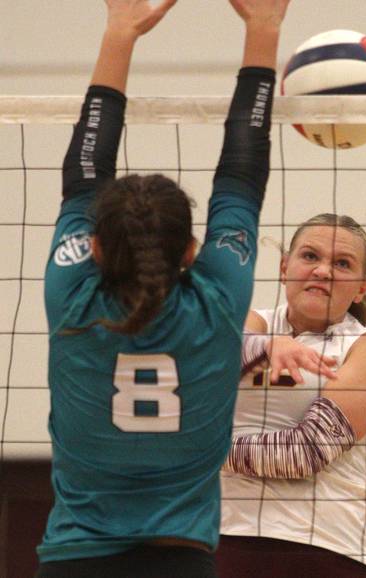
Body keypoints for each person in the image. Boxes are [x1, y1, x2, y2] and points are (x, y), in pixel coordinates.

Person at [36, 0, 291, 576]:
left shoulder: (71, 297)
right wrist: (263, 28)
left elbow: (84, 170)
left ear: (95, 248)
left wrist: (120, 32)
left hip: (73, 560)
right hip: (182, 562)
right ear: (191, 253)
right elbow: (242, 173)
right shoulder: (218, 300)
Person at [216, 213, 366, 578]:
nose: (323, 271)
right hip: (223, 536)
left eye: (342, 263)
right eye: (310, 256)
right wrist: (265, 345)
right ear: (285, 267)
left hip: (325, 547)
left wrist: (194, 450)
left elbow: (304, 453)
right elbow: (204, 364)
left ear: (362, 287)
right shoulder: (251, 324)